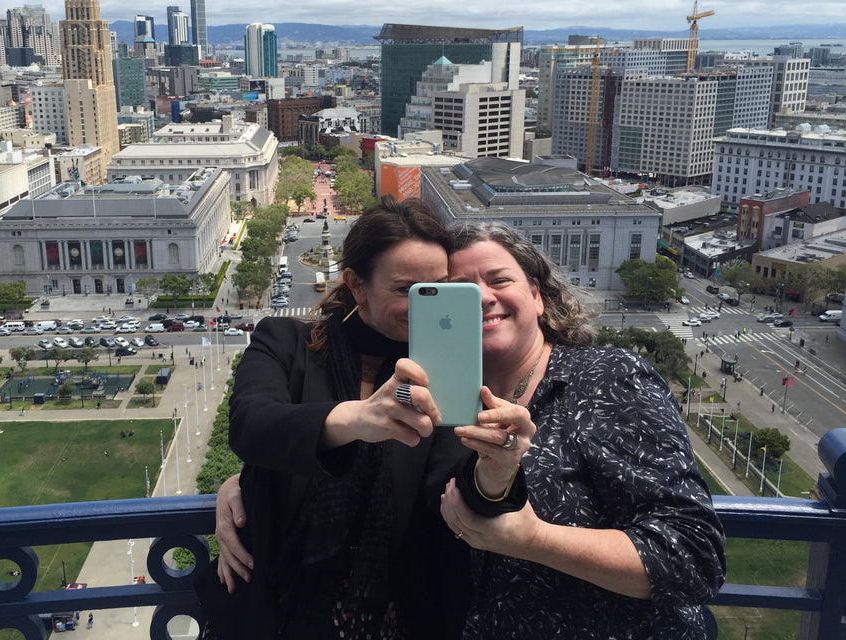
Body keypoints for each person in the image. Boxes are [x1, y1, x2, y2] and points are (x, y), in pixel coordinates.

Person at [201, 197, 532, 639]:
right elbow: (250, 424)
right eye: (405, 290)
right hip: (271, 609)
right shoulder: (286, 341)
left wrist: (497, 469)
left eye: (438, 288)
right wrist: (356, 419)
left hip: (399, 620)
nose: (423, 307)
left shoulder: (449, 374)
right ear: (356, 285)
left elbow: (452, 489)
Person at [438, 221, 725, 638]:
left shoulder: (609, 379)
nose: (482, 297)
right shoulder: (444, 403)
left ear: (536, 295)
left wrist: (533, 539)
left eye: (500, 280)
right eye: (459, 290)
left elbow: (693, 557)